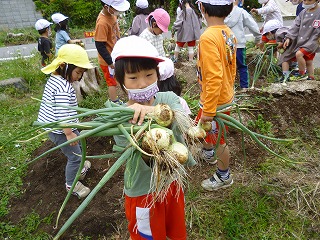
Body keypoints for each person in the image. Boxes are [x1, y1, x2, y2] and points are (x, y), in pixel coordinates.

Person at [111, 35, 196, 239]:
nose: (142, 84)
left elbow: (179, 118)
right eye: (133, 78)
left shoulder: (169, 99)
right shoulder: (119, 116)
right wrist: (133, 112)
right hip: (143, 191)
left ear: (158, 75)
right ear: (120, 82)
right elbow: (123, 144)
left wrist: (150, 111)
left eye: (149, 75)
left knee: (176, 233)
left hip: (172, 183)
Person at [37, 44, 94, 198]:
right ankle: (72, 184)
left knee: (78, 149)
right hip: (61, 130)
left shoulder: (56, 78)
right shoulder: (63, 87)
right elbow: (62, 113)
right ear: (64, 66)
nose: (79, 77)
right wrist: (69, 133)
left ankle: (80, 169)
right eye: (78, 72)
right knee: (74, 157)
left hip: (61, 126)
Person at [195, 0, 237, 191]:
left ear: (202, 7)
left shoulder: (207, 37)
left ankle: (224, 176)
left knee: (219, 138)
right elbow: (232, 68)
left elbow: (213, 76)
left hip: (215, 101)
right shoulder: (228, 33)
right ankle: (209, 152)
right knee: (203, 127)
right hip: (223, 95)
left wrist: (209, 110)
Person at [95, 0, 130, 104]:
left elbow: (116, 34)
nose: (118, 11)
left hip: (115, 54)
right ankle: (115, 102)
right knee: (111, 82)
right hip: (107, 60)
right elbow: (99, 45)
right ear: (106, 7)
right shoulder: (102, 22)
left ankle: (130, 94)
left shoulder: (112, 15)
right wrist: (109, 62)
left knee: (121, 75)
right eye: (117, 9)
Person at [224, 0, 261, 89]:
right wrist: (258, 37)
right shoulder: (241, 12)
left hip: (226, 44)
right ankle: (244, 87)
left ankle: (228, 88)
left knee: (227, 67)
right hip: (239, 44)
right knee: (242, 67)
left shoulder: (223, 12)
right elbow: (252, 25)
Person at [282, 0, 320, 81]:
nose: (306, 2)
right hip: (303, 40)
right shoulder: (303, 12)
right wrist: (289, 37)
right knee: (308, 61)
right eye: (305, 0)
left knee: (299, 54)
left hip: (314, 40)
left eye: (309, 0)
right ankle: (311, 77)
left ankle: (302, 73)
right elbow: (295, 25)